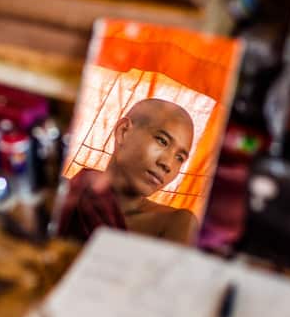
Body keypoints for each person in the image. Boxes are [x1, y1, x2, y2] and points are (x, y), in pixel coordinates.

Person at [57, 98, 199, 244]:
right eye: (162, 141)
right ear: (123, 131)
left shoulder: (176, 222)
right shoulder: (68, 195)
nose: (168, 164)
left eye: (180, 158)